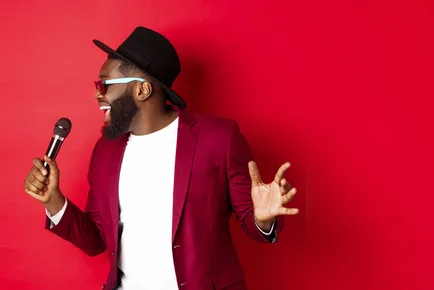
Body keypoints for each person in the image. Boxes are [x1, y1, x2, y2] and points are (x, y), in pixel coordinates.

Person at [22, 26, 299, 290]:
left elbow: (251, 221)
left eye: (104, 83)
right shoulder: (105, 151)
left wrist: (263, 219)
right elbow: (97, 240)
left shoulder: (219, 138)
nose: (97, 93)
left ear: (142, 89)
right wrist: (53, 200)